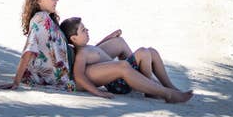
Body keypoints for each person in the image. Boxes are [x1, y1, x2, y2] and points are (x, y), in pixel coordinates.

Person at [60, 16, 192, 103]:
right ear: (74, 39)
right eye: (83, 30)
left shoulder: (86, 48)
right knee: (143, 52)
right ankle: (163, 93)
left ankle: (169, 86)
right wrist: (97, 92)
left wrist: (108, 37)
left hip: (120, 77)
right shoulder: (81, 54)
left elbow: (97, 51)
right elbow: (79, 75)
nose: (87, 30)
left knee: (152, 51)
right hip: (118, 84)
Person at [0, 0, 73, 90]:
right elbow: (29, 49)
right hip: (69, 74)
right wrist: (16, 82)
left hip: (73, 65)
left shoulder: (47, 18)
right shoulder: (40, 18)